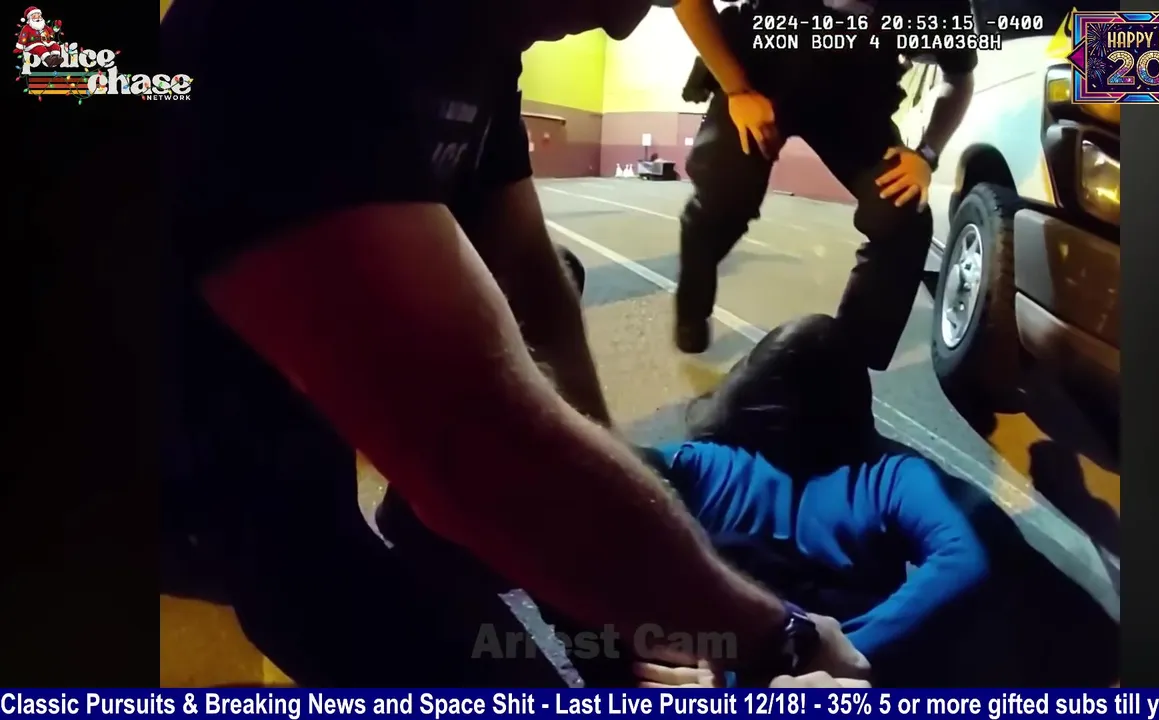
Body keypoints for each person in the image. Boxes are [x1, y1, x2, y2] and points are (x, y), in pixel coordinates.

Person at [161, 0, 869, 687]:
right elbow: (473, 435)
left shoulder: (481, 41)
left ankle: (438, 530)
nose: (624, 25)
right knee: (347, 593)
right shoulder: (283, 25)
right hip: (189, 441)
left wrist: (616, 548)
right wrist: (774, 637)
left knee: (553, 292)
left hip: (308, 375)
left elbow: (531, 275)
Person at [635, 315, 994, 686]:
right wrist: (835, 651)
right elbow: (966, 559)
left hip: (717, 665)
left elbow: (619, 474)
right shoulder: (889, 475)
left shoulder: (701, 463)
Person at [669, 0, 976, 366]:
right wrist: (736, 90)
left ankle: (845, 362)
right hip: (762, 73)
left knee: (904, 212)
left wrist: (926, 154)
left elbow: (959, 78)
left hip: (855, 98)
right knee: (726, 192)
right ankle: (693, 301)